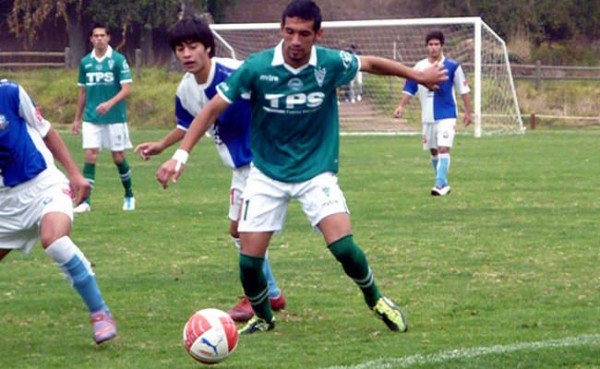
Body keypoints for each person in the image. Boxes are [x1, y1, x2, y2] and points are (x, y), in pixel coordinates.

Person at [156, 0, 447, 335]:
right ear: (281, 30)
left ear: (317, 34)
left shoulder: (330, 63)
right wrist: (180, 156)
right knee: (248, 262)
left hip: (316, 171)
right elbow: (210, 110)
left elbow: (370, 63)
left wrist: (418, 76)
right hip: (265, 173)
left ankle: (377, 299)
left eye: (304, 34)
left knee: (343, 248)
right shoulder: (257, 67)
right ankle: (264, 317)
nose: (295, 40)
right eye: (289, 32)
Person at [134, 17, 286, 322]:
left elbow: (272, 92)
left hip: (264, 160)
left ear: (208, 47)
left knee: (247, 230)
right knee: (237, 231)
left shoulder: (235, 71)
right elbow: (188, 123)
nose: (187, 54)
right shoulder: (185, 89)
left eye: (193, 46)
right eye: (180, 48)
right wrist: (163, 146)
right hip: (240, 167)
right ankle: (270, 293)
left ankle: (255, 298)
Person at [0, 79, 117, 345]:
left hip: (43, 186)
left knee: (54, 241)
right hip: (5, 206)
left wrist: (75, 174)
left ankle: (100, 312)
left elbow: (46, 130)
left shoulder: (9, 93)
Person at [394, 30, 472, 196]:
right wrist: (401, 105)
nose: (434, 48)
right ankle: (443, 184)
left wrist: (468, 112)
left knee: (444, 148)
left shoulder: (452, 66)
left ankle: (439, 184)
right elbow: (410, 88)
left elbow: (463, 90)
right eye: (431, 44)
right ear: (426, 47)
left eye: (437, 44)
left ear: (442, 46)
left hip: (447, 114)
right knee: (434, 151)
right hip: (427, 116)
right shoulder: (419, 67)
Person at [72, 23, 135, 212]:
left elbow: (127, 89)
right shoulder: (85, 62)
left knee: (118, 157)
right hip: (91, 118)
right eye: (96, 36)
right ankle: (85, 202)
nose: (99, 38)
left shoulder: (118, 60)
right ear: (91, 39)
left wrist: (109, 104)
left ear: (108, 38)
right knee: (90, 155)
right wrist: (77, 119)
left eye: (102, 35)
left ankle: (129, 195)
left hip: (115, 117)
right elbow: (83, 92)